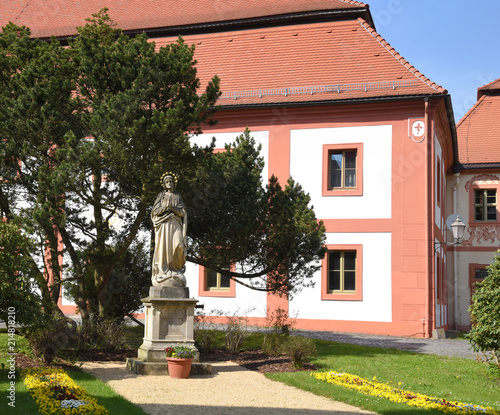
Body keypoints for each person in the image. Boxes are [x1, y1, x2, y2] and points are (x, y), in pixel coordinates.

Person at [151, 172, 187, 286]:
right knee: (163, 248)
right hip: (163, 225)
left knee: (179, 246)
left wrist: (173, 208)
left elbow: (183, 213)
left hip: (175, 223)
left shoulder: (178, 196)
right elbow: (155, 212)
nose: (169, 183)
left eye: (171, 181)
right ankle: (163, 271)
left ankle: (175, 270)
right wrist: (165, 208)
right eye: (167, 182)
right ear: (164, 184)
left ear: (174, 183)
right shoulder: (161, 196)